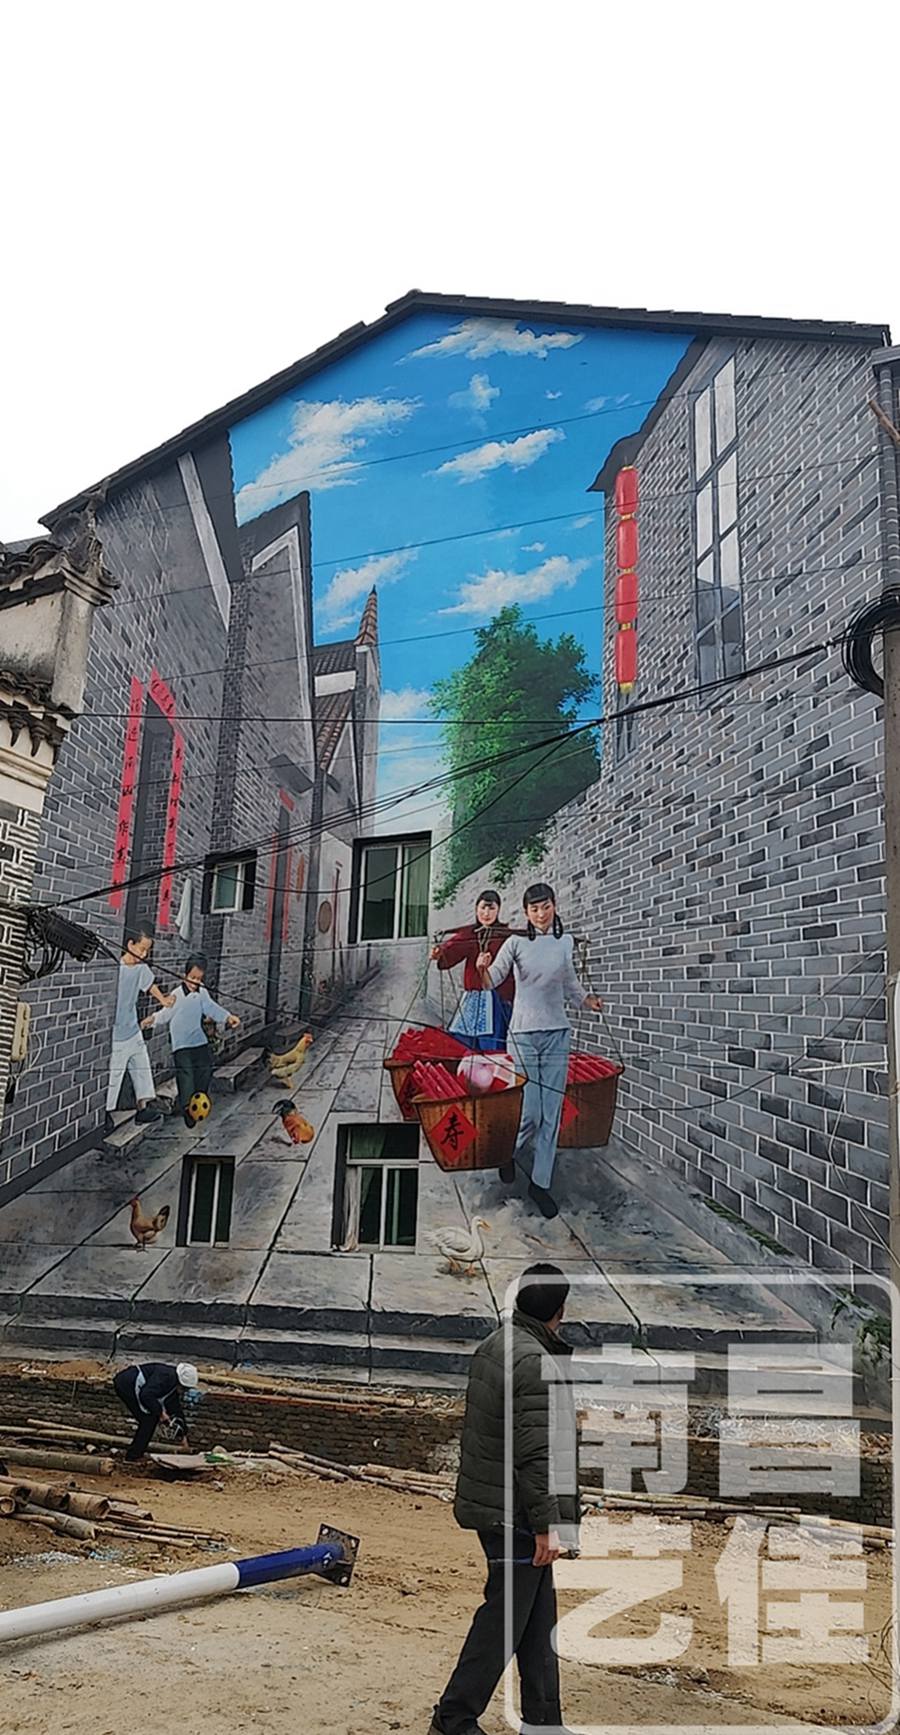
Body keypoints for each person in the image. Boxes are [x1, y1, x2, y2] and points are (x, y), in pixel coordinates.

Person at [430, 1264, 580, 1735]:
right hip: (516, 1515)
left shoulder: (497, 1344)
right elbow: (535, 1456)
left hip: (499, 1505)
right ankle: (453, 1719)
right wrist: (546, 1526)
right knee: (501, 1623)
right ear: (560, 1311)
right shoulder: (534, 1363)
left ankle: (544, 1722)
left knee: (536, 1621)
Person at [478, 884, 602, 1219]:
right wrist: (482, 967)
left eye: (545, 907)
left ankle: (540, 1184)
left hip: (557, 1033)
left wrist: (587, 1001)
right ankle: (508, 1154)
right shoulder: (515, 943)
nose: (541, 914)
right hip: (523, 1035)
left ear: (554, 906)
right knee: (530, 1112)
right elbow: (491, 981)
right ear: (526, 912)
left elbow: (570, 983)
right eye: (534, 909)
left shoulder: (565, 942)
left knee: (551, 1115)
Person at [142, 951, 240, 1126]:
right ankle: (188, 1108)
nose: (195, 982)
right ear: (185, 975)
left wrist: (227, 1017)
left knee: (205, 1068)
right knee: (186, 1074)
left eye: (199, 979)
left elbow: (211, 1008)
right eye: (192, 978)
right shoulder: (177, 994)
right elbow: (165, 1013)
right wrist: (153, 1019)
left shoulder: (202, 992)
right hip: (181, 1044)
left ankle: (199, 1099)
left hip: (198, 1040)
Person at [105, 923, 175, 1135]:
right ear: (130, 944)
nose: (144, 954)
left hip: (133, 1029)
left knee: (142, 1068)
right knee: (114, 1074)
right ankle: (106, 1113)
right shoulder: (117, 968)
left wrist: (163, 1000)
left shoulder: (141, 968)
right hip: (117, 1033)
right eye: (142, 949)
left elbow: (150, 985)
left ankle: (143, 1108)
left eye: (147, 951)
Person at [431, 890, 518, 1052]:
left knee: (493, 1047)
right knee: (463, 1044)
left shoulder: (506, 937)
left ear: (498, 910)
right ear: (476, 909)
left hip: (497, 999)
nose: (486, 913)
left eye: (491, 908)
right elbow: (452, 949)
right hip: (473, 997)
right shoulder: (470, 934)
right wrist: (440, 953)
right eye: (483, 908)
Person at [112, 1360, 199, 1461]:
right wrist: (161, 1413)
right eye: (185, 1388)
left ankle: (135, 1453)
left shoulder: (172, 1384)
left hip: (133, 1385)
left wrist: (183, 1435)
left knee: (149, 1420)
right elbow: (146, 1395)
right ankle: (133, 1456)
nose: (184, 1391)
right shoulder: (166, 1377)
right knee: (148, 1421)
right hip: (128, 1384)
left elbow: (175, 1408)